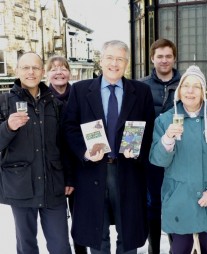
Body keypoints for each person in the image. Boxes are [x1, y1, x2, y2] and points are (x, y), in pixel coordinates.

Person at [63, 40, 155, 254]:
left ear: (127, 64)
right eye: (110, 58)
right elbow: (69, 128)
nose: (115, 63)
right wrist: (84, 152)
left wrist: (138, 151)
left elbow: (150, 130)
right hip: (92, 171)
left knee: (128, 235)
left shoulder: (141, 92)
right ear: (101, 61)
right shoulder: (80, 90)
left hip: (128, 172)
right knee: (98, 235)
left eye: (120, 59)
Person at [149, 65, 207, 254]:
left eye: (196, 86)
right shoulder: (165, 121)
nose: (190, 91)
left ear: (203, 91)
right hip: (180, 198)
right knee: (180, 249)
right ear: (179, 91)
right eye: (186, 85)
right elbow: (157, 160)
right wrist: (167, 140)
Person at [0, 52, 72, 254]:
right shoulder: (4, 102)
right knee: (27, 246)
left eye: (35, 67)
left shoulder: (55, 104)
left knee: (61, 247)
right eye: (25, 67)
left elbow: (64, 146)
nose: (31, 72)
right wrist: (8, 127)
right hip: (20, 185)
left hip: (53, 185)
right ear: (17, 71)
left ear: (42, 71)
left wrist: (69, 177)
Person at [139, 38, 181, 254]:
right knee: (153, 204)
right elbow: (132, 120)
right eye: (160, 56)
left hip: (179, 156)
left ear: (174, 58)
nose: (164, 60)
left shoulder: (185, 83)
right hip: (151, 156)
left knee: (175, 203)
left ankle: (177, 247)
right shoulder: (141, 86)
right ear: (152, 58)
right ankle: (153, 248)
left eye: (168, 56)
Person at [45, 55, 88, 254]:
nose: (59, 72)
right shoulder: (44, 100)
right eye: (53, 69)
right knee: (58, 222)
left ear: (70, 72)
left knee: (80, 218)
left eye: (63, 68)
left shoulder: (81, 95)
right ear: (47, 74)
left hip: (82, 165)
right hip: (54, 169)